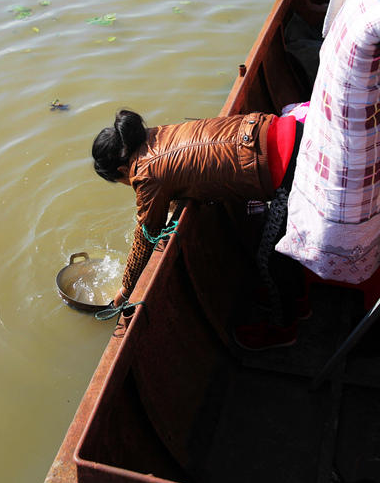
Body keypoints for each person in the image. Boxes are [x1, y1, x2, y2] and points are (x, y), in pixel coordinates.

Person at [91, 109, 305, 350]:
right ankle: (295, 300)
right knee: (273, 253)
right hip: (286, 132)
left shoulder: (145, 173)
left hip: (289, 168)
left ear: (121, 171)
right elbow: (183, 170)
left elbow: (145, 239)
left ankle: (284, 329)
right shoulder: (158, 134)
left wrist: (124, 291)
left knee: (270, 257)